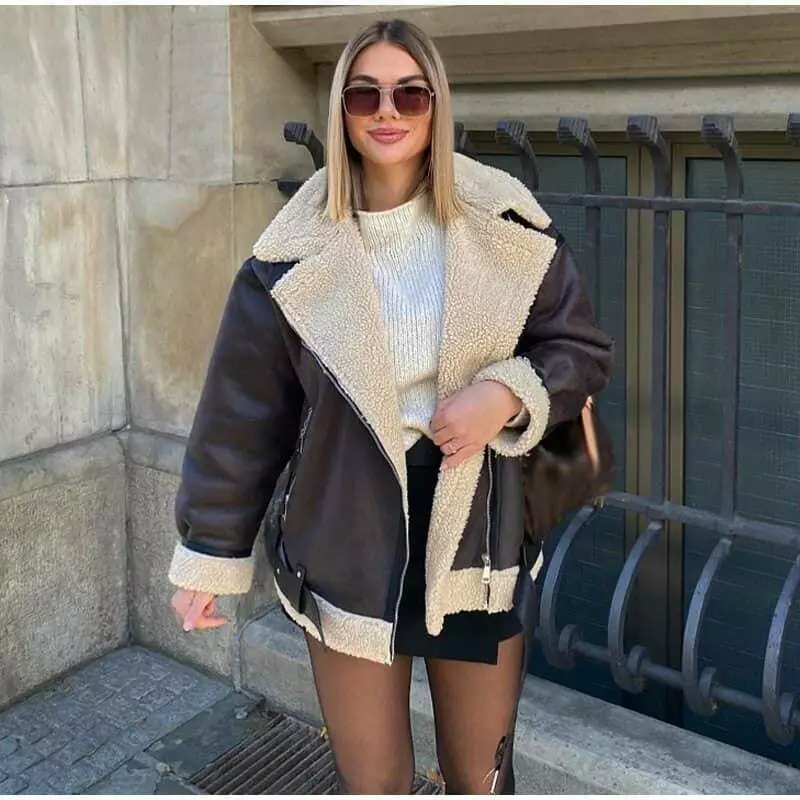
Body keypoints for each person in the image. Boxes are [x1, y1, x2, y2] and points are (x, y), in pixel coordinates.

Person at [167, 18, 613, 795]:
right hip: (346, 537)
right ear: (340, 108)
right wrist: (210, 553)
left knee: (481, 778)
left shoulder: (505, 226)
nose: (387, 111)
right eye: (364, 93)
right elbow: (242, 417)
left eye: (410, 93)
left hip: (475, 534)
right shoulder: (288, 258)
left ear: (437, 106)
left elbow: (579, 350)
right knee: (373, 783)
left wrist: (507, 395)